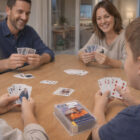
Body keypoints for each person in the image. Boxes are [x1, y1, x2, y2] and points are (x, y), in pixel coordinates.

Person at [91, 17, 140, 140]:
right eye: (99, 18)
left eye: (127, 54)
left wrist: (98, 107)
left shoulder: (132, 119)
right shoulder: (96, 36)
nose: (103, 21)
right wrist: (135, 103)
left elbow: (98, 135)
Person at [0, 0, 54, 73]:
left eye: (27, 13)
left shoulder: (29, 31)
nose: (24, 17)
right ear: (8, 10)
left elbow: (49, 52)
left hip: (27, 81)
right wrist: (6, 63)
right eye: (20, 12)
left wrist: (41, 59)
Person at [78, 1, 125, 68]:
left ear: (115, 17)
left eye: (107, 16)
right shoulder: (97, 35)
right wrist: (83, 56)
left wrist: (109, 62)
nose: (103, 21)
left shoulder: (126, 37)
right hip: (100, 76)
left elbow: (129, 65)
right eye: (99, 18)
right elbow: (81, 52)